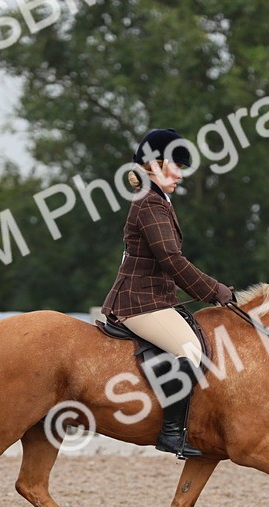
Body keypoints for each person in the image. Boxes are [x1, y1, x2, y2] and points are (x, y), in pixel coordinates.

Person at [101, 128, 235, 459]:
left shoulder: (158, 200)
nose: (180, 174)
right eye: (175, 166)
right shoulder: (149, 204)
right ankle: (171, 433)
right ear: (154, 166)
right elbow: (172, 261)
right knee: (191, 353)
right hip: (138, 304)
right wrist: (213, 290)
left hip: (155, 300)